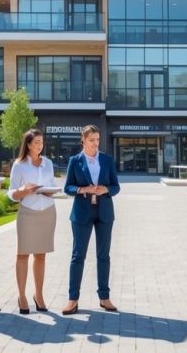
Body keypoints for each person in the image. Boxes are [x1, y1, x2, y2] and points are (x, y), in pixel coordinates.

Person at [62, 125, 120, 315]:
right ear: (83, 141)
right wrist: (82, 189)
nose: (95, 144)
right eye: (91, 140)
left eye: (97, 140)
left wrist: (107, 190)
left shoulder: (107, 160)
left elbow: (116, 186)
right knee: (78, 256)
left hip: (104, 212)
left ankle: (104, 297)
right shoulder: (75, 161)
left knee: (104, 256)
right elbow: (67, 187)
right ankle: (72, 299)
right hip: (82, 213)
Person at [7, 128, 57, 314]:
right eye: (36, 142)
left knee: (41, 255)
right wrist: (25, 191)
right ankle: (22, 295)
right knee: (22, 254)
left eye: (42, 142)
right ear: (28, 144)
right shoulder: (19, 165)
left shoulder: (48, 163)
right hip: (28, 212)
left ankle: (39, 294)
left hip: (47, 211)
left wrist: (50, 190)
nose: (40, 145)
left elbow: (51, 185)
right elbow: (11, 193)